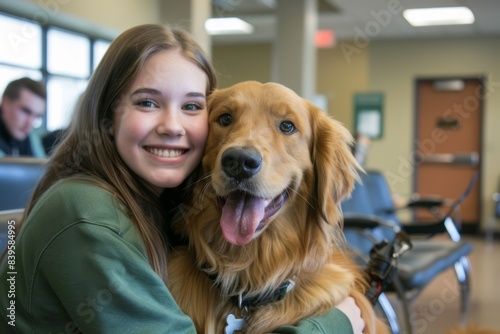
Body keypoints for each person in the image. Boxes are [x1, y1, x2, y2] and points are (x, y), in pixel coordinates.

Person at [0, 24, 364, 333]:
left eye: (191, 106)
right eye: (147, 102)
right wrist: (338, 323)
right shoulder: (88, 214)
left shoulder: (155, 208)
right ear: (107, 116)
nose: (172, 126)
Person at [0, 77, 47, 157]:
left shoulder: (31, 138)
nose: (30, 122)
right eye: (25, 111)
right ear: (5, 102)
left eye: (37, 116)